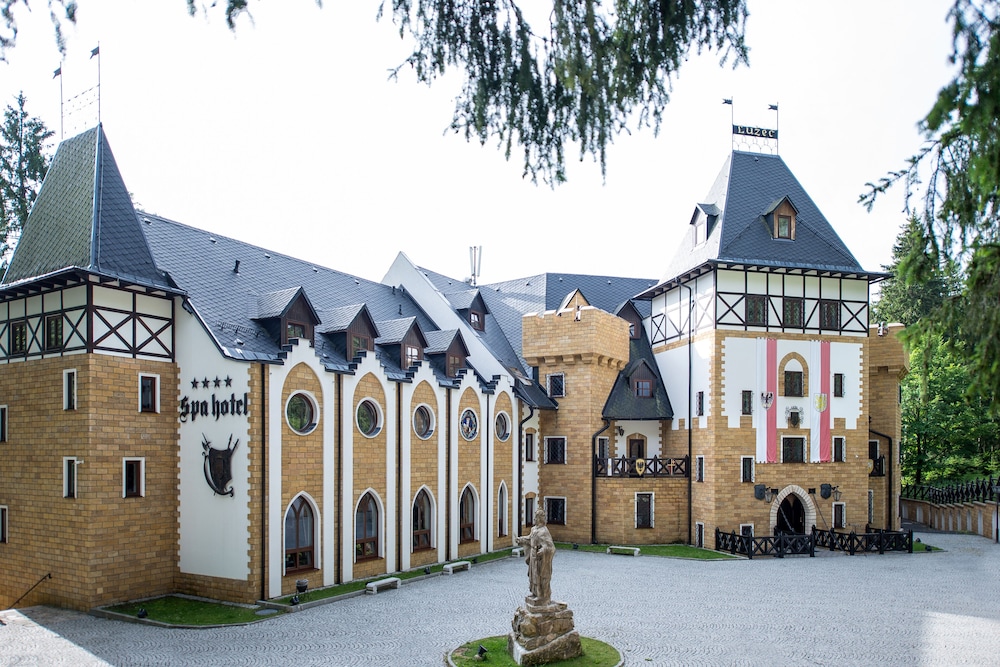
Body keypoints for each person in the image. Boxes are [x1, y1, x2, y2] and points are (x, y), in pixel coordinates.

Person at [516, 506, 555, 604]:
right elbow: (529, 539)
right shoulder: (534, 529)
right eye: (535, 517)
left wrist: (543, 550)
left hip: (540, 558)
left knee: (539, 575)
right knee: (532, 575)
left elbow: (551, 546)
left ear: (541, 519)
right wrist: (521, 539)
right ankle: (534, 593)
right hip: (533, 555)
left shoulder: (544, 531)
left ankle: (541, 596)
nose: (534, 519)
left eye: (536, 517)